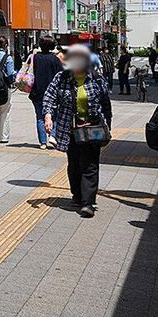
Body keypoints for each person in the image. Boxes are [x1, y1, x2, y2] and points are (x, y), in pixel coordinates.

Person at [43, 44, 113, 218]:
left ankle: (88, 202)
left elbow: (106, 103)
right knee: (74, 164)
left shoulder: (96, 78)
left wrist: (107, 124)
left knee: (90, 164)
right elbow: (49, 97)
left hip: (92, 127)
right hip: (70, 128)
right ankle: (77, 195)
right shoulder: (61, 78)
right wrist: (48, 116)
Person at [29, 35, 65, 150]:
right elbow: (61, 75)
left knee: (40, 117)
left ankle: (43, 143)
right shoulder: (55, 59)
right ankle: (53, 136)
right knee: (54, 115)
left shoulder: (35, 57)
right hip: (52, 93)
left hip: (37, 91)